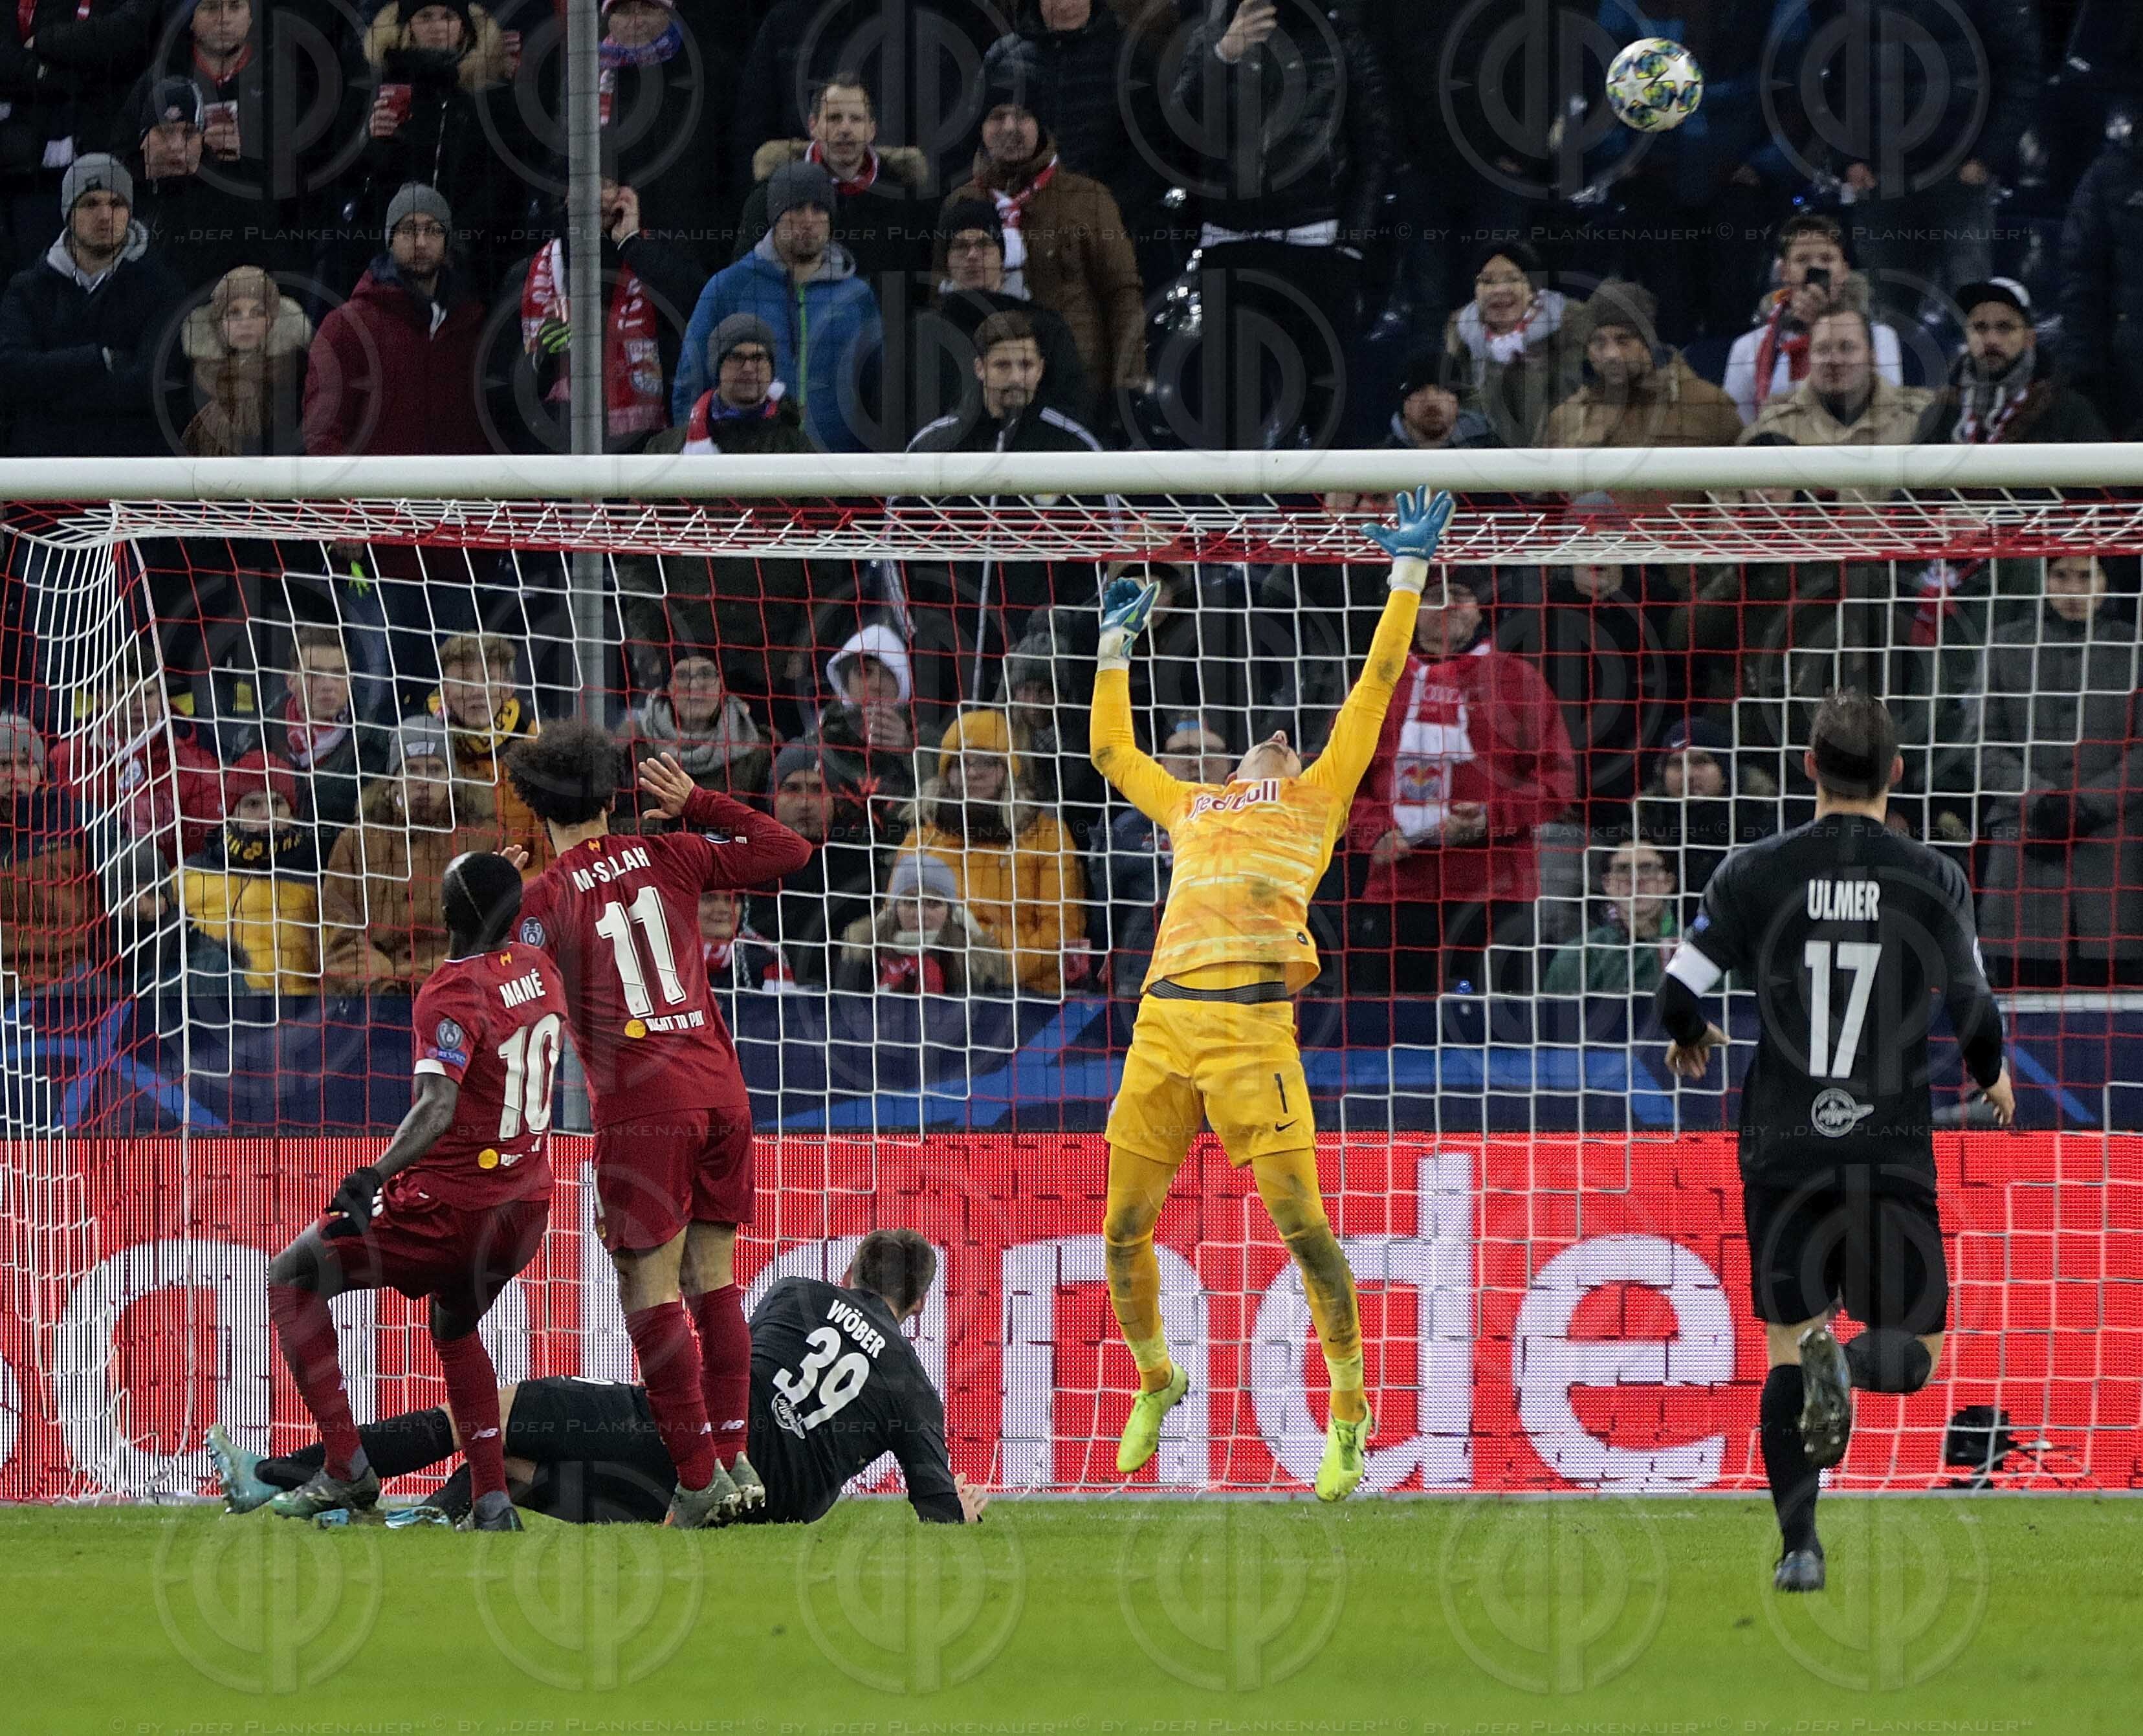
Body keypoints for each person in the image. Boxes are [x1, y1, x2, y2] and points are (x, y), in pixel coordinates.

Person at [1087, 487, 1455, 1502]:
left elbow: (1377, 687)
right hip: (1163, 1022)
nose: (1283, 739)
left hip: (1254, 1032)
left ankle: (1348, 1405)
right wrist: (1115, 646)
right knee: (1121, 1227)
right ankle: (1158, 1378)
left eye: (1292, 741)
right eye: (1272, 739)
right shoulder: (1194, 805)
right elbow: (1111, 753)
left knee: (1305, 1228)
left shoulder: (1317, 799)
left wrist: (1408, 576)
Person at [1654, 690, 2014, 1594]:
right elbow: (1971, 1004)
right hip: (1888, 1144)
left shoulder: (1752, 871)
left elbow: (1678, 991)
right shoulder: (1930, 875)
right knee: (1920, 1350)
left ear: (1809, 766)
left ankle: (1800, 1549)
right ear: (1896, 773)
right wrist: (1993, 1070)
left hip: (1783, 1140)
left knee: (1788, 1341)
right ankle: (1850, 1369)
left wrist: (1692, 1034)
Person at [508, 723, 812, 1527]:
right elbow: (789, 852)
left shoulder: (543, 899)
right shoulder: (673, 852)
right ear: (615, 794)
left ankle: (698, 1478)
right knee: (714, 1281)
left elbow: (493, 988)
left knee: (648, 1292)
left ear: (535, 806)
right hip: (722, 1088)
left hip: (644, 1108)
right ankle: (734, 1456)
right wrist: (701, 802)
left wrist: (489, 910)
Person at [212, 1229, 987, 1527]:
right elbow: (937, 1507)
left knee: (492, 1410)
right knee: (513, 1473)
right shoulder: (914, 1387)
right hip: (763, 1513)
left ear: (849, 1269)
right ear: (913, 1306)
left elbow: (722, 1359)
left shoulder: (800, 1293)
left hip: (696, 1446)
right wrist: (965, 1509)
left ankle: (276, 1475)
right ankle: (417, 1528)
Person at [261, 852, 566, 1530]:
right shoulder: (541, 969)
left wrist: (376, 1172)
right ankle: (491, 1502)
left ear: (447, 912)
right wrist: (511, 889)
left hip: (451, 1209)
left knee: (292, 1276)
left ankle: (347, 1466)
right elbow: (534, 915)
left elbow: (435, 1106)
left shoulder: (449, 992)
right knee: (455, 1324)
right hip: (526, 1210)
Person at [1167, 0, 1389, 447]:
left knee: (1330, 411)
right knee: (1227, 414)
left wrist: (1350, 247)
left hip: (1316, 246)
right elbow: (1174, 134)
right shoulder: (1209, 40)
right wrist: (1224, 56)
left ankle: (1333, 518)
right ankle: (1234, 518)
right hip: (1229, 245)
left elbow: (1374, 148)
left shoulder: (1341, 41)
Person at [1346, 573, 1577, 996]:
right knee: (1394, 1033)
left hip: (1497, 890)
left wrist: (1492, 818)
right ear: (1412, 609)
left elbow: (1558, 780)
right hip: (1400, 890)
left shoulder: (1519, 681)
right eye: (1435, 596)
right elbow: (1339, 776)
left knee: (1504, 1035)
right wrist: (1373, 832)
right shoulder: (1377, 683)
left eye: (1462, 594)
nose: (1450, 605)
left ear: (1480, 608)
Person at [1973, 556, 2143, 987]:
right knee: (2019, 1008)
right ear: (2044, 578)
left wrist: (2086, 805)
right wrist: (2040, 799)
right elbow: (1981, 745)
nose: (2073, 590)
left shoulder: (2135, 648)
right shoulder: (2004, 645)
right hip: (2024, 856)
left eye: (2087, 576)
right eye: (2061, 575)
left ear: (2106, 582)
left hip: (2113, 866)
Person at [934, 83, 1143, 412]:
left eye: (1023, 116)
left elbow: (1122, 295)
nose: (1009, 128)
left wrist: (1127, 385)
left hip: (1076, 388)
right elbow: (940, 294)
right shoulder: (961, 203)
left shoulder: (1089, 199)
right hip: (979, 394)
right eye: (997, 117)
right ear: (980, 128)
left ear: (1042, 125)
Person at [674, 159, 881, 453]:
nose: (809, 221)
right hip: (747, 476)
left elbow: (876, 392)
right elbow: (690, 383)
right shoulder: (728, 287)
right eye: (796, 209)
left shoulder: (858, 296)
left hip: (839, 477)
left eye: (819, 209)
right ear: (775, 217)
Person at [0, 155, 185, 456]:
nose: (104, 216)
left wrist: (46, 390)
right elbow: (10, 375)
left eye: (116, 204)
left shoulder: (163, 287)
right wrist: (99, 359)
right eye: (90, 204)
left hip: (131, 476)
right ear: (68, 212)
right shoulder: (26, 289)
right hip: (40, 478)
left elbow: (150, 385)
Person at [901, 707, 1087, 997]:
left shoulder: (1047, 835)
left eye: (987, 762)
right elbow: (894, 919)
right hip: (934, 986)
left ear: (1009, 768)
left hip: (1025, 992)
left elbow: (1062, 932)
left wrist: (988, 960)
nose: (973, 773)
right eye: (961, 763)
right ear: (947, 772)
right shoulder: (922, 836)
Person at [318, 718, 505, 996]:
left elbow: (491, 935)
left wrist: (425, 978)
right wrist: (383, 982)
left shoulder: (484, 840)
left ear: (452, 781)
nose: (423, 782)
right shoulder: (356, 842)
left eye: (435, 770)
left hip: (455, 991)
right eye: (411, 769)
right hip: (375, 997)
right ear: (392, 783)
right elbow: (336, 934)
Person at [517, 179, 704, 451]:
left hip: (646, 451)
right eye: (582, 182)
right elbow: (506, 386)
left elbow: (696, 309)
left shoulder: (660, 255)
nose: (594, 197)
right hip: (559, 450)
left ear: (627, 195)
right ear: (566, 197)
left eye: (605, 184)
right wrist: (539, 361)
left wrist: (633, 244)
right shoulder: (532, 272)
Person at [303, 184, 487, 457]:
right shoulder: (346, 326)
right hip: (375, 498)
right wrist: (360, 498)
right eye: (409, 230)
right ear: (390, 239)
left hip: (457, 499)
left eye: (434, 230)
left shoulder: (472, 323)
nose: (421, 242)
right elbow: (322, 436)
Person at [732, 76, 932, 293]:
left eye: (856, 119)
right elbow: (743, 282)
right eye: (834, 118)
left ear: (871, 130)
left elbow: (913, 291)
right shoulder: (771, 193)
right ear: (813, 126)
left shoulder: (903, 198)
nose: (845, 129)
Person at [910, 199, 1087, 431]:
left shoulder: (1046, 328)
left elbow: (1071, 408)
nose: (972, 255)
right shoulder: (921, 332)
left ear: (1001, 257)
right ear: (947, 260)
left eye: (984, 244)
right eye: (961, 247)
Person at [1538, 280, 1743, 473]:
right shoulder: (1566, 418)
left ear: (1649, 344)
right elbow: (1543, 499)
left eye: (1623, 340)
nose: (1611, 355)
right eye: (1599, 343)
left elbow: (1742, 488)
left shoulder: (1709, 404)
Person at [47, 644, 226, 861]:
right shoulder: (65, 760)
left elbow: (199, 861)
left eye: (148, 694)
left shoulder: (199, 768)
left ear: (161, 695)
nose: (138, 705)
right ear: (103, 698)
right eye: (127, 694)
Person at [1722, 216, 1904, 426]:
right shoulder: (1747, 347)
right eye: (1802, 260)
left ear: (1844, 271)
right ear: (1784, 271)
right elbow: (1738, 431)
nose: (1816, 268)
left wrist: (1821, 326)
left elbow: (1887, 416)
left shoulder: (1880, 337)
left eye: (1827, 259)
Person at [174, 749, 320, 997]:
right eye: (253, 804)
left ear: (293, 813)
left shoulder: (315, 876)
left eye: (277, 803)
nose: (267, 814)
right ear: (231, 813)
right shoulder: (189, 874)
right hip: (207, 1016)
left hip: (295, 1021)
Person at [1741, 306, 1936, 476]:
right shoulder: (1775, 425)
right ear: (1809, 358)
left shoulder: (1919, 416)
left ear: (1872, 356)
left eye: (1847, 348)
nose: (1833, 360)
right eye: (1822, 350)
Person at [1917, 278, 2108, 447]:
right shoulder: (1940, 413)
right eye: (1980, 327)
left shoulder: (2067, 410)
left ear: (2029, 338)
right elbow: (1910, 485)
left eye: (2004, 327)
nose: (1991, 339)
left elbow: (2104, 485)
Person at [756, 744, 880, 988]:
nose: (805, 803)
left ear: (835, 801)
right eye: (792, 789)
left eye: (817, 790)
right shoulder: (744, 866)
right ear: (772, 797)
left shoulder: (863, 868)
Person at [1438, 243, 1583, 449]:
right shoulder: (1460, 335)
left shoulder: (1571, 324)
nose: (1498, 290)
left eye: (1512, 279)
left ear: (1533, 290)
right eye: (1487, 281)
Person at [906, 308, 1101, 455]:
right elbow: (897, 509)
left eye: (1026, 365)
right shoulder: (935, 443)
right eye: (1003, 365)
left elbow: (1110, 510)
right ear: (980, 369)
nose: (1016, 378)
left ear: (1041, 369)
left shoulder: (1074, 444)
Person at [0, 713, 104, 989]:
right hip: (7, 984)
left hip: (71, 979)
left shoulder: (78, 820)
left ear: (42, 769)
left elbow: (131, 856)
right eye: (4, 765)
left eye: (25, 764)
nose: (15, 777)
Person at [429, 632, 547, 872]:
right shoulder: (427, 755)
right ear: (445, 691)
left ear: (508, 688)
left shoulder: (541, 751)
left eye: (489, 679)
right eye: (464, 680)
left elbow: (552, 859)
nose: (476, 690)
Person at [832, 847, 1013, 996]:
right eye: (910, 903)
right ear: (895, 908)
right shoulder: (862, 954)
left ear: (951, 911)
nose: (921, 914)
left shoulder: (976, 964)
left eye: (933, 903)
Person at [176, 263, 312, 456]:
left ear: (272, 320)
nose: (246, 322)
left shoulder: (294, 374)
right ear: (219, 322)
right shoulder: (197, 376)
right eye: (234, 313)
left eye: (258, 313)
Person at [264, 624, 383, 835]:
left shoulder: (378, 746)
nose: (328, 685)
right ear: (291, 681)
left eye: (338, 674)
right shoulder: (255, 739)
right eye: (315, 674)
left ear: (350, 681)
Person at [623, 644, 769, 800]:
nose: (694, 686)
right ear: (669, 688)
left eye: (706, 674)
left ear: (722, 686)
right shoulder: (634, 746)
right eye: (682, 675)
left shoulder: (756, 750)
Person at [1541, 841, 1680, 997]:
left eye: (1647, 868)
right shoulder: (1578, 955)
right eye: (1623, 869)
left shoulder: (1695, 948)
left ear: (1669, 882)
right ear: (1607, 884)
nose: (1635, 879)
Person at [1386, 349, 1495, 452]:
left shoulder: (1494, 453)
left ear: (1457, 400)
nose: (1431, 401)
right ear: (1404, 404)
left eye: (1442, 389)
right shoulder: (1378, 460)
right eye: (1419, 390)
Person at [696, 886, 793, 994]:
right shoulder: (675, 957)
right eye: (709, 899)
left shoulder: (768, 961)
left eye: (731, 899)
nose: (722, 909)